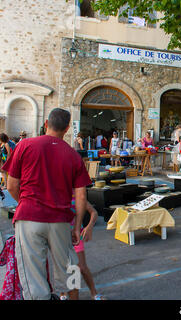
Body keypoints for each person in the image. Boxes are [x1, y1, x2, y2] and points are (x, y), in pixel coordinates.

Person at [2, 108, 93, 300]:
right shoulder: (73, 155)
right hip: (60, 220)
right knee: (70, 266)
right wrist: (77, 227)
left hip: (28, 218)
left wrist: (25, 203)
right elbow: (81, 197)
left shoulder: (24, 145)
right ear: (67, 128)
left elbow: (11, 185)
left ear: (46, 124)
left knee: (33, 273)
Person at [60, 199, 106, 300]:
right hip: (60, 237)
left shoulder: (78, 195)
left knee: (81, 267)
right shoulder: (57, 193)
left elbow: (94, 212)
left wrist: (89, 227)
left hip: (76, 238)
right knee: (63, 267)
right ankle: (62, 294)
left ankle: (94, 293)